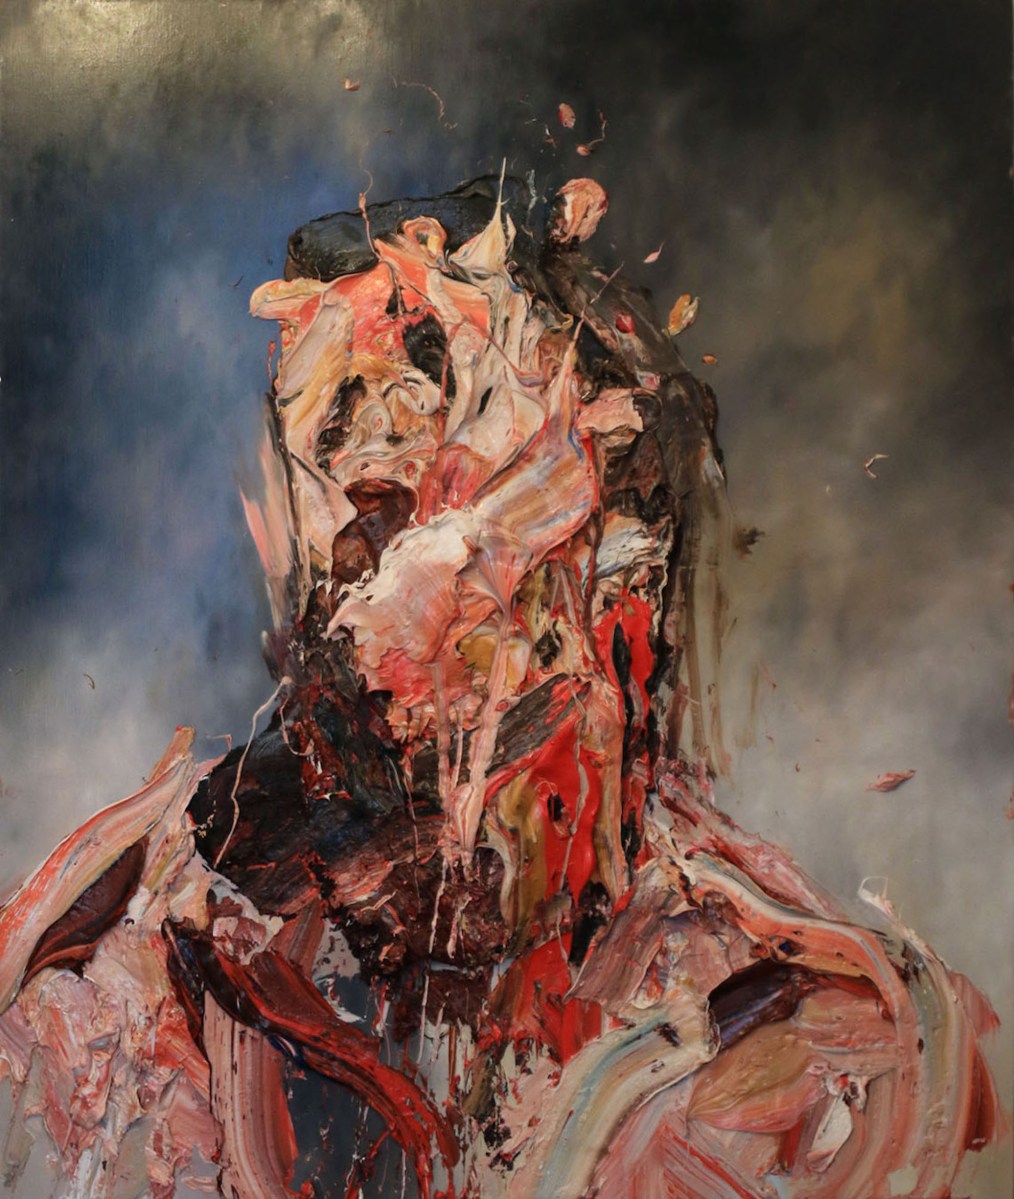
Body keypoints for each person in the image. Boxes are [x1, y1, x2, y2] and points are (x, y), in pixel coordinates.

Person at [0, 176, 1003, 1198]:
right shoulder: (153, 947)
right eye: (334, 429)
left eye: (427, 396)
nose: (372, 468)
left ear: (615, 557)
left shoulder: (823, 1043)